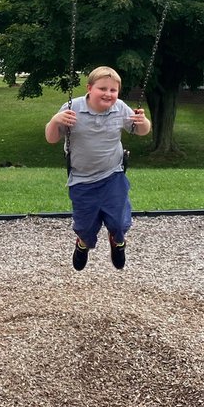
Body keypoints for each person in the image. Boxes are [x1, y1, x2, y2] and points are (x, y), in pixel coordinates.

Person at [45, 66, 151, 271]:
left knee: (119, 223)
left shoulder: (120, 108)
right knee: (85, 227)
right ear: (89, 88)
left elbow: (141, 131)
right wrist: (55, 120)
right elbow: (51, 138)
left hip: (113, 175)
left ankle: (118, 243)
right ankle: (82, 244)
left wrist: (143, 121)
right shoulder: (71, 107)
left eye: (113, 90)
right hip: (81, 180)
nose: (108, 94)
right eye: (102, 88)